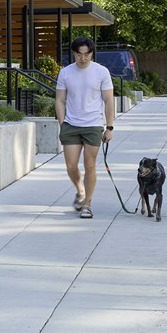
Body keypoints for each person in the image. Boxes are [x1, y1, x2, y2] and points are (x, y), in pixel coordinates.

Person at [55, 36, 115, 219]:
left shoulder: (101, 72)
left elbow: (108, 100)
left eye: (87, 54)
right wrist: (62, 123)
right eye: (79, 54)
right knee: (71, 166)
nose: (83, 58)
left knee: (90, 164)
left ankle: (87, 203)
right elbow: (59, 99)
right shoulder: (65, 73)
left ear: (91, 53)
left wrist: (109, 127)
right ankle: (80, 189)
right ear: (74, 53)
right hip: (71, 124)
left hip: (94, 124)